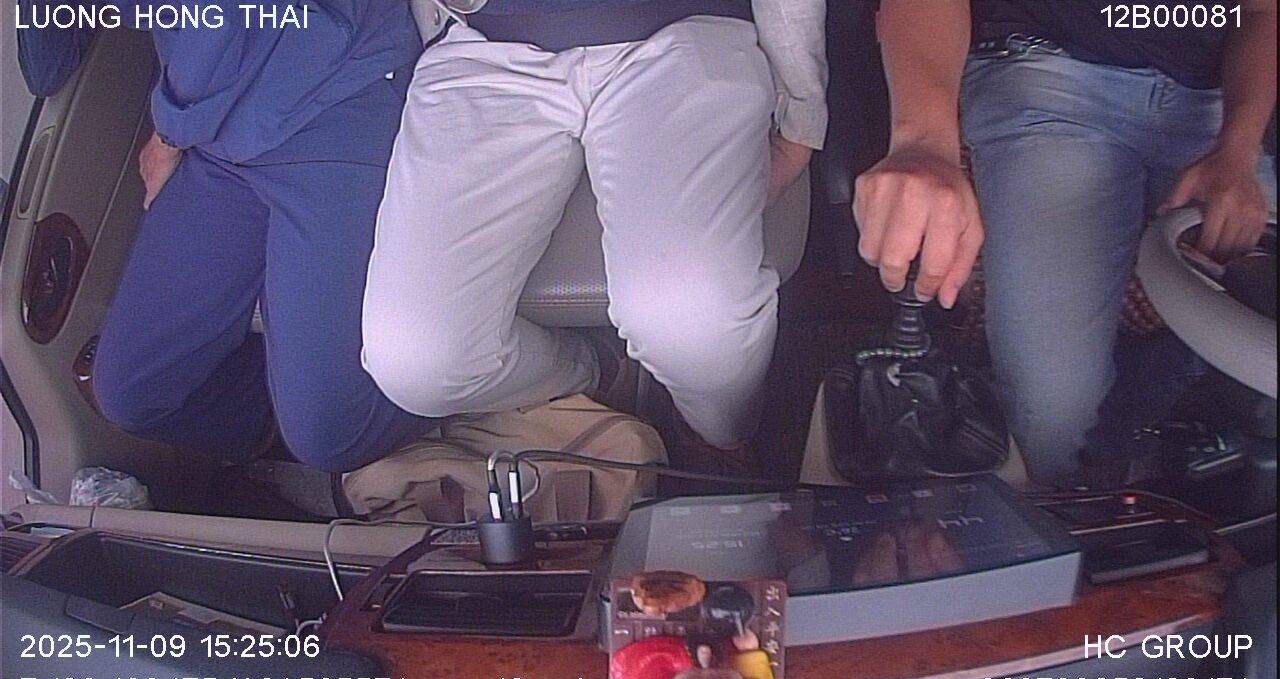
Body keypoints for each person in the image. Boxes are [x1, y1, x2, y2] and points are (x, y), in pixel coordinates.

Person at [361, 0, 827, 472]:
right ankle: (599, 371)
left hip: (682, 31)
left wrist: (803, 113)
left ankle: (716, 437)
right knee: (416, 365)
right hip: (485, 46)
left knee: (695, 323)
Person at [856, 0, 1276, 486]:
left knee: (1259, 369)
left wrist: (1239, 149)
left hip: (1220, 101)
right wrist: (924, 144)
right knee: (1053, 413)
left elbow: (1261, 10)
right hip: (1051, 74)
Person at [17, 1, 436, 471]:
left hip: (330, 95)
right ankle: (293, 419)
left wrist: (170, 136)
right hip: (220, 130)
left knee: (329, 439)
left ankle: (473, 391)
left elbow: (218, 17)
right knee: (130, 393)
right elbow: (47, 70)